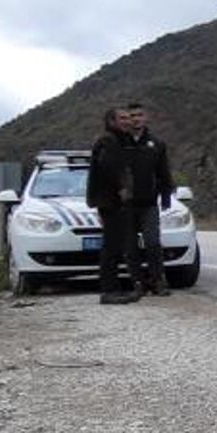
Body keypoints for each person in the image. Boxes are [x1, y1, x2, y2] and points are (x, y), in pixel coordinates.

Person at [121, 101, 177, 296]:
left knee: (153, 243)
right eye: (132, 115)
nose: (136, 119)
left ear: (146, 117)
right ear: (127, 119)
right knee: (130, 247)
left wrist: (166, 195)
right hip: (125, 205)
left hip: (149, 203)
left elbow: (163, 172)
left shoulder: (156, 144)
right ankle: (137, 282)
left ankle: (158, 281)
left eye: (139, 115)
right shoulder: (119, 143)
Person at [85, 108, 140, 305]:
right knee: (111, 248)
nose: (128, 121)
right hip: (111, 202)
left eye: (128, 118)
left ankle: (114, 288)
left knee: (115, 246)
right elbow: (110, 169)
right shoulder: (108, 141)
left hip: (113, 201)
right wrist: (122, 188)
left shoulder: (118, 140)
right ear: (111, 121)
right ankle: (109, 291)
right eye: (122, 118)